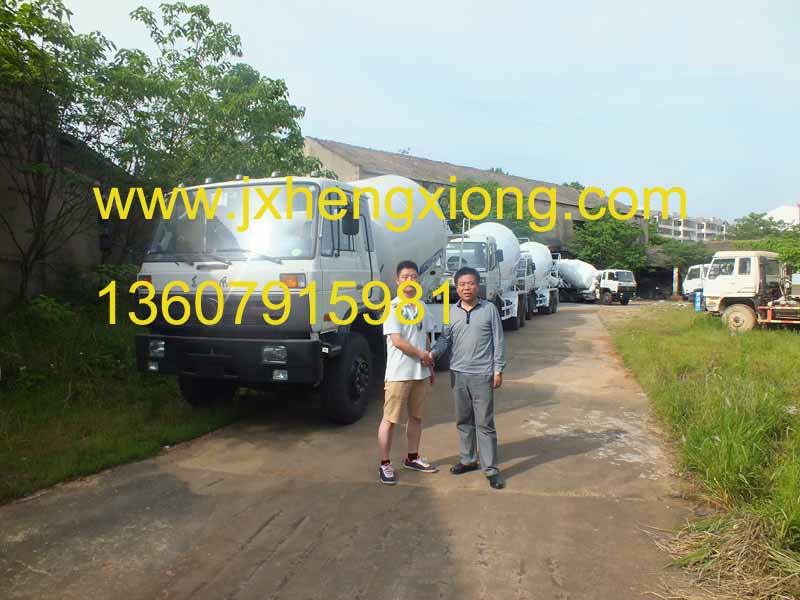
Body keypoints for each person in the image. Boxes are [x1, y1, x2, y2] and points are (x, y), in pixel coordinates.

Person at [428, 266, 507, 490]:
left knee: (484, 423)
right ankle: (468, 459)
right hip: (458, 373)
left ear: (477, 285)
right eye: (462, 284)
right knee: (463, 420)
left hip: (482, 374)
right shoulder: (451, 311)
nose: (466, 288)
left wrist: (498, 370)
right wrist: (432, 354)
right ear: (456, 286)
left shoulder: (489, 309)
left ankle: (491, 469)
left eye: (471, 283)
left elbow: (499, 340)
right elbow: (445, 339)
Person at [378, 260, 438, 485]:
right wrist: (421, 355)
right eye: (405, 277)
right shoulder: (393, 307)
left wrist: (429, 365)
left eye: (413, 276)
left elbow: (425, 337)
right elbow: (397, 341)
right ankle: (385, 464)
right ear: (397, 281)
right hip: (398, 374)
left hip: (420, 373)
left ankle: (412, 457)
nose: (410, 281)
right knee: (390, 419)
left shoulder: (421, 306)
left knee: (416, 417)